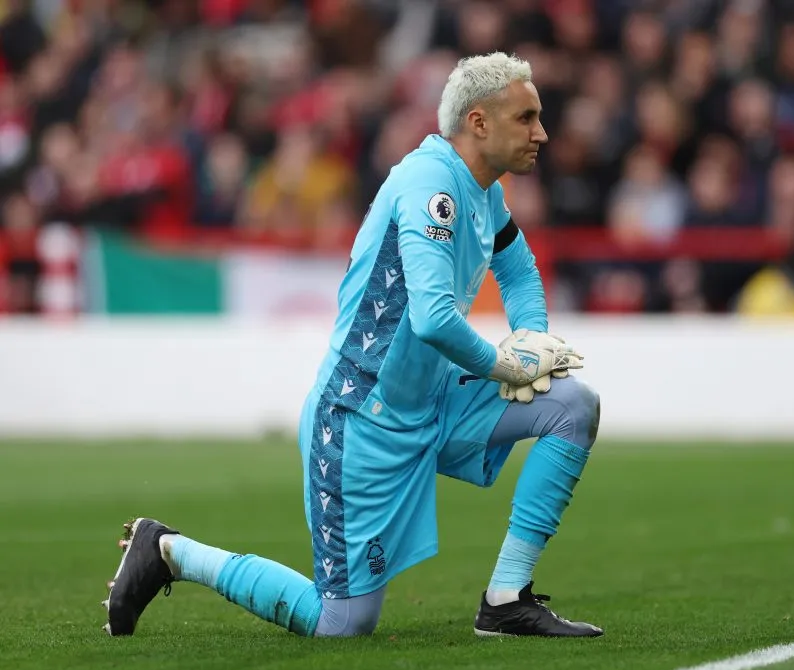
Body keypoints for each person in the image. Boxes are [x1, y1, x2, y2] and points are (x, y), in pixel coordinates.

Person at [102, 52, 604, 639]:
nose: (541, 132)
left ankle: (506, 600)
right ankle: (170, 550)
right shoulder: (430, 185)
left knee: (572, 406)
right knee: (341, 623)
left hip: (434, 399)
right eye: (527, 117)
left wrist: (532, 339)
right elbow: (434, 320)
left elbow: (518, 271)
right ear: (479, 123)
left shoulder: (483, 190)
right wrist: (507, 362)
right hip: (360, 419)